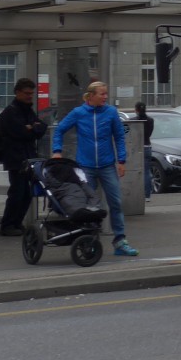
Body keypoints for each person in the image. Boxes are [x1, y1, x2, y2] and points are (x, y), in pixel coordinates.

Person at [51, 81, 138, 256]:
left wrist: (121, 161)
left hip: (107, 166)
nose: (105, 97)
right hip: (86, 166)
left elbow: (119, 137)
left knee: (116, 203)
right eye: (102, 94)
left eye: (106, 94)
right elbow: (59, 130)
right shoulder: (79, 113)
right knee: (87, 207)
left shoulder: (111, 112)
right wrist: (57, 152)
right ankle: (88, 242)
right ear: (91, 96)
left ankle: (120, 241)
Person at [0, 78, 48, 237]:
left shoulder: (27, 110)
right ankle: (8, 225)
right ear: (17, 92)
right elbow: (21, 133)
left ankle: (16, 223)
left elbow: (41, 128)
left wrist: (31, 128)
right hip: (15, 159)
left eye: (32, 93)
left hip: (28, 158)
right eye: (27, 93)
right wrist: (31, 128)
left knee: (27, 193)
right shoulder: (11, 112)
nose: (30, 96)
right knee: (17, 192)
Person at [134, 102, 155, 202]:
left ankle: (136, 193)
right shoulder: (150, 120)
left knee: (135, 171)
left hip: (137, 147)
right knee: (146, 171)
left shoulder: (133, 121)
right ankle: (147, 195)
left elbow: (126, 131)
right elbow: (150, 133)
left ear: (136, 110)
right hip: (147, 145)